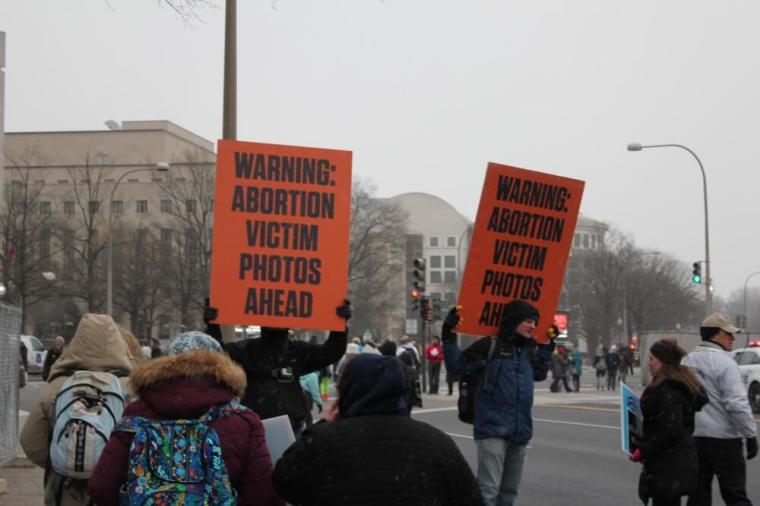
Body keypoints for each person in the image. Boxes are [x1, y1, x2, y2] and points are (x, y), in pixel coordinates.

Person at [89, 331, 282, 505]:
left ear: (165, 364)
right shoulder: (244, 421)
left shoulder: (137, 414)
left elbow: (102, 488)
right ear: (224, 368)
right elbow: (261, 494)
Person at [272, 354, 484, 505]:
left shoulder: (323, 440)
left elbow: (284, 482)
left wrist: (322, 424)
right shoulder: (437, 443)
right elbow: (470, 498)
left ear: (350, 388)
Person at [442, 300, 553, 506]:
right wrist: (449, 334)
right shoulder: (489, 346)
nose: (532, 326)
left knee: (509, 492)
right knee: (488, 491)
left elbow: (539, 373)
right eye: (527, 321)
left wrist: (548, 346)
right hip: (492, 429)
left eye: (534, 322)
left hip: (520, 432)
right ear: (513, 321)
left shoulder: (528, 351)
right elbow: (456, 367)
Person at [20, 314, 134, 506]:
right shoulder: (130, 389)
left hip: (63, 491)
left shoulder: (59, 386)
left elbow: (30, 441)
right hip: (113, 491)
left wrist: (62, 459)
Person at [205, 300, 351, 435]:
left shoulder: (297, 351)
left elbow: (331, 352)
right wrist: (212, 326)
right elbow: (217, 354)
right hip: (255, 426)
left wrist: (339, 325)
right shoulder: (247, 350)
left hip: (288, 424)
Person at [682, 313, 758, 506]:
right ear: (715, 335)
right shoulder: (725, 363)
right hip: (724, 439)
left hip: (695, 438)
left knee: (698, 495)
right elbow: (736, 403)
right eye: (729, 334)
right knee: (735, 495)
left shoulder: (686, 362)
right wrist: (750, 434)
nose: (733, 338)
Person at [630, 339, 708, 506]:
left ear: (663, 362)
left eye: (652, 359)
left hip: (669, 464)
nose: (649, 363)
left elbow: (671, 429)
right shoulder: (672, 387)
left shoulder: (667, 391)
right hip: (673, 462)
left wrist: (644, 448)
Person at [397, 336, 423, 408]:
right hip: (413, 369)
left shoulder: (400, 349)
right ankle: (416, 401)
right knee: (415, 385)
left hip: (403, 369)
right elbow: (418, 360)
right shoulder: (414, 349)